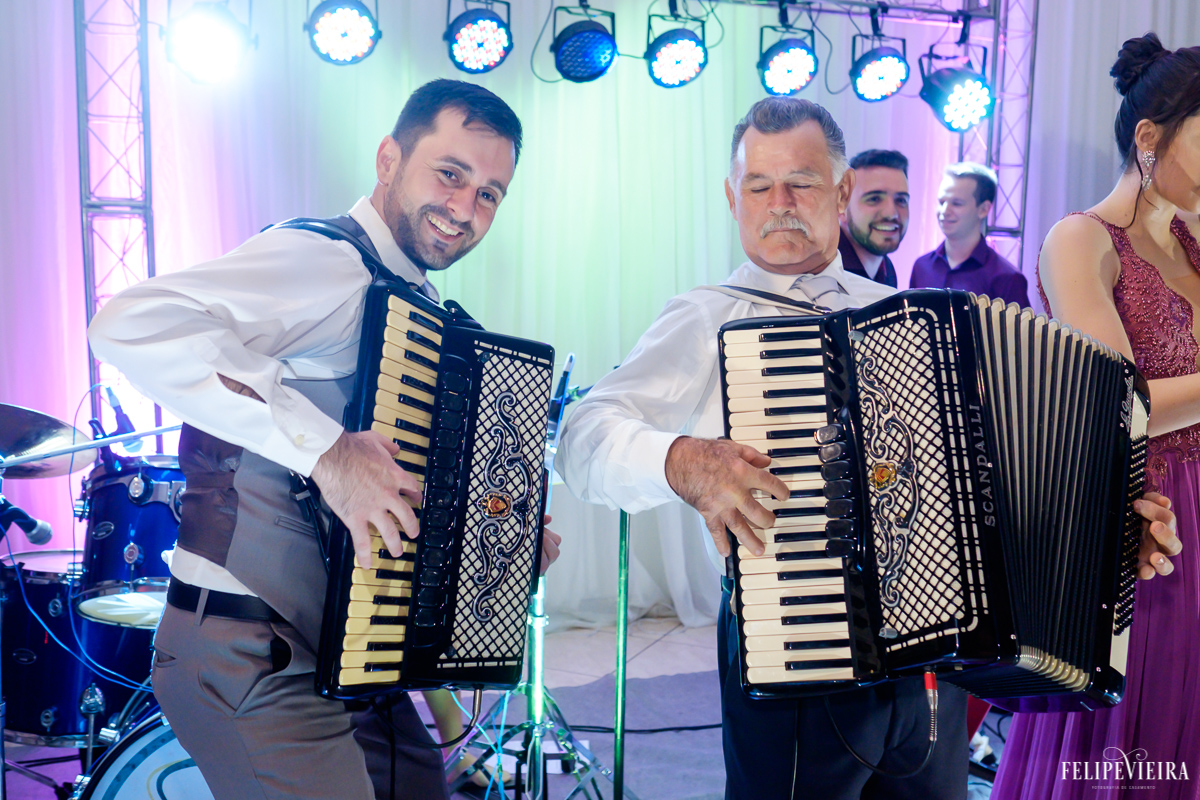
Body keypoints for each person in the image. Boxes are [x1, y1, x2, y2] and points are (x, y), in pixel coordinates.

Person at [556, 94, 1180, 800]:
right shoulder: (708, 316)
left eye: (802, 182)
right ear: (733, 197)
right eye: (758, 186)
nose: (778, 202)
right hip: (797, 648)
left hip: (931, 668)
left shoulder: (897, 310)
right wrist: (682, 461)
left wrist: (1100, 539)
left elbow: (993, 475)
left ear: (841, 190)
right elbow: (581, 437)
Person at [88, 79, 560, 800]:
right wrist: (326, 452)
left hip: (348, 654)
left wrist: (496, 541)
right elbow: (128, 323)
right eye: (451, 174)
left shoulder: (416, 307)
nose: (465, 209)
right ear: (388, 159)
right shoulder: (325, 262)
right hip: (251, 654)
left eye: (490, 193)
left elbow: (380, 494)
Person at [990, 33, 1198, 800]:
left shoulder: (1194, 246)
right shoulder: (1080, 240)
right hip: (1145, 518)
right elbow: (1118, 397)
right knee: (1126, 747)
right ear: (1149, 138)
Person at [910, 162, 1031, 306]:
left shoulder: (1006, 278)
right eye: (941, 202)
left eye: (956, 203)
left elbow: (1018, 329)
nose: (945, 211)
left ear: (983, 209)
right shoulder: (922, 267)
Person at [837, 149, 909, 288]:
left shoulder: (887, 270)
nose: (891, 213)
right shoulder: (820, 272)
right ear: (842, 207)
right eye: (874, 199)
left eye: (901, 200)